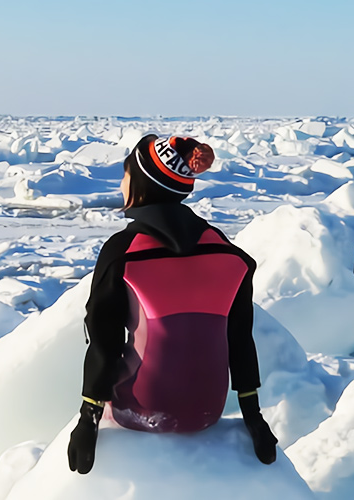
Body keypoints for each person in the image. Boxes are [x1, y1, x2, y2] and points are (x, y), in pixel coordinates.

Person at [67, 134, 277, 475]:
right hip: (209, 411)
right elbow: (239, 340)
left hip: (140, 408)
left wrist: (87, 419)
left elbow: (103, 342)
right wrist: (253, 416)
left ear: (141, 184)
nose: (121, 184)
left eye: (125, 174)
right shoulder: (228, 251)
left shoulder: (124, 250)